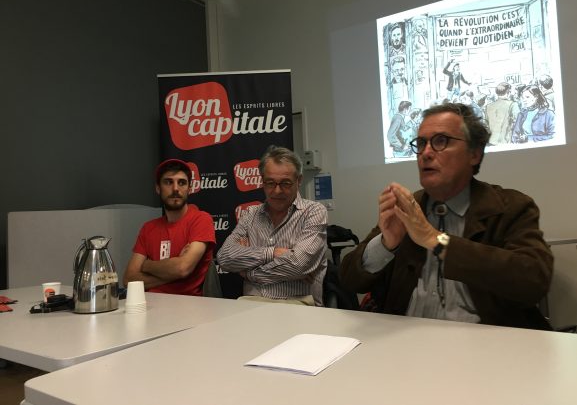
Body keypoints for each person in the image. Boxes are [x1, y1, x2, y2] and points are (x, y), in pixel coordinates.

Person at [339, 103, 553, 329]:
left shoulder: (510, 207)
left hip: (485, 345)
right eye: (421, 143)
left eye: (441, 141)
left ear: (474, 154)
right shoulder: (408, 207)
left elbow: (534, 281)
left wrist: (436, 241)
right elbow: (350, 280)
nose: (426, 153)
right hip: (406, 341)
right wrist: (385, 244)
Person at [217, 146, 328, 306]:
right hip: (251, 303)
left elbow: (298, 265)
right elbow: (225, 257)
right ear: (262, 181)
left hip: (297, 303)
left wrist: (248, 272)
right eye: (270, 183)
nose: (277, 191)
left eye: (285, 183)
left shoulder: (314, 212)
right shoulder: (250, 214)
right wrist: (272, 253)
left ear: (299, 180)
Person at [123, 159, 216, 295]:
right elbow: (129, 280)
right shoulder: (148, 228)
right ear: (158, 188)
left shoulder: (201, 220)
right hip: (150, 305)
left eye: (182, 183)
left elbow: (182, 268)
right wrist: (173, 270)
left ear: (189, 189)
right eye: (168, 182)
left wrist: (147, 265)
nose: (175, 189)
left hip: (189, 308)